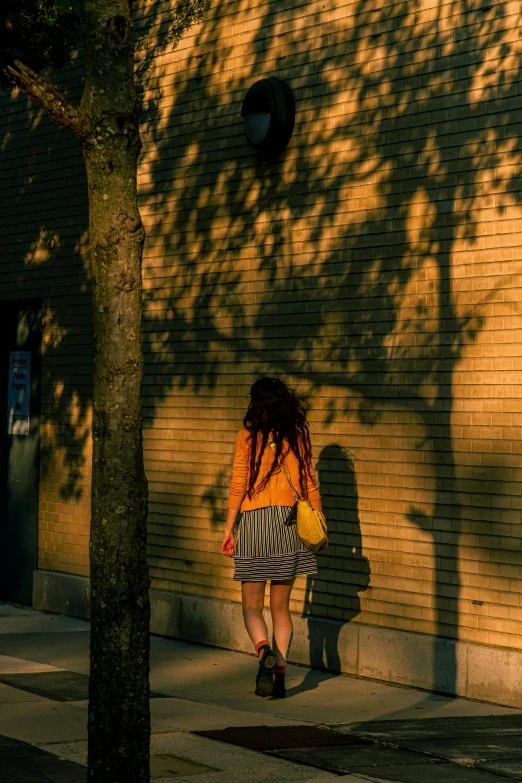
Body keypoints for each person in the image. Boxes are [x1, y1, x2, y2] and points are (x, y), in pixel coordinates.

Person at [221, 377, 325, 699]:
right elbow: (310, 483)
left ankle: (263, 649)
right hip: (289, 523)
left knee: (251, 605)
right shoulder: (297, 437)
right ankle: (279, 673)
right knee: (281, 607)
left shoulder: (246, 437)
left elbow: (239, 483)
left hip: (254, 523)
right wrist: (320, 525)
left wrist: (228, 528)